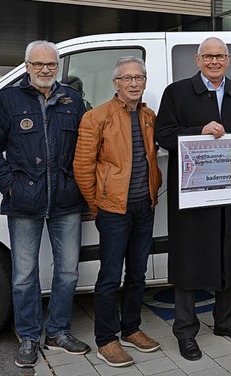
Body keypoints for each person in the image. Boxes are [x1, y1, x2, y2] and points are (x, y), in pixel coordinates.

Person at [155, 36, 231, 361]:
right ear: (197, 60)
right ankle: (186, 331)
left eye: (220, 56)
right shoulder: (177, 93)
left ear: (228, 60)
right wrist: (198, 130)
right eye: (208, 56)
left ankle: (225, 322)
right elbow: (163, 136)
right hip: (194, 196)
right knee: (190, 260)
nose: (214, 62)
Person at [0, 40, 90, 368]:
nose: (45, 70)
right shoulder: (7, 100)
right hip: (23, 201)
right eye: (38, 64)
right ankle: (27, 336)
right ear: (26, 66)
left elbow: (85, 146)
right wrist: (9, 186)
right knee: (24, 274)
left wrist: (83, 186)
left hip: (66, 199)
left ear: (57, 66)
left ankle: (58, 332)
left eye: (51, 64)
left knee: (67, 271)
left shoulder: (72, 98)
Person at [73, 57, 163, 367]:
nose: (134, 83)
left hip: (144, 207)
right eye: (127, 78)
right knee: (110, 276)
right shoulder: (97, 117)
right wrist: (98, 204)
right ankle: (106, 340)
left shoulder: (149, 117)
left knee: (137, 274)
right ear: (116, 84)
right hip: (113, 210)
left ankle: (131, 329)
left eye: (139, 77)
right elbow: (82, 167)